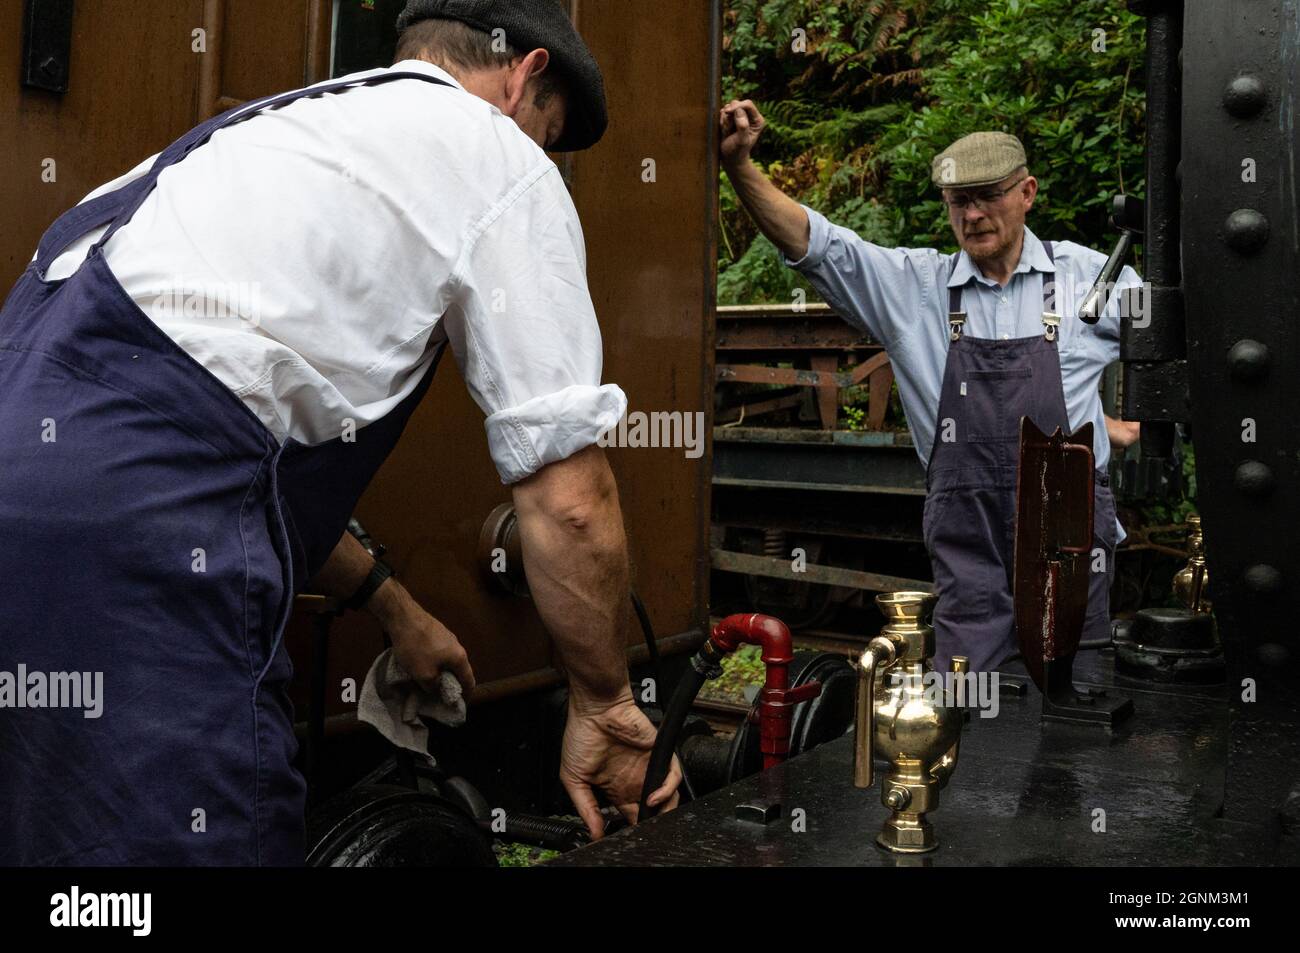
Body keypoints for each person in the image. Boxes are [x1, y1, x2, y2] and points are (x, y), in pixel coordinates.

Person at [0, 0, 678, 866]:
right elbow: (569, 502)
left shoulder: (262, 141)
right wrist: (603, 698)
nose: (541, 156)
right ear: (524, 76)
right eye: (548, 136)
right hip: (136, 568)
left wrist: (391, 605)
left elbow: (207, 426)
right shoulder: (495, 152)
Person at [719, 100, 1142, 673]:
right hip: (971, 564)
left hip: (1069, 551)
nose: (972, 214)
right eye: (958, 201)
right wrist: (741, 169)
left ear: (1027, 193)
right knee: (967, 714)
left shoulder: (1092, 279)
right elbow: (816, 244)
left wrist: (1123, 420)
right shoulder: (916, 291)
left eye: (988, 195)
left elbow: (1180, 349)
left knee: (1078, 708)